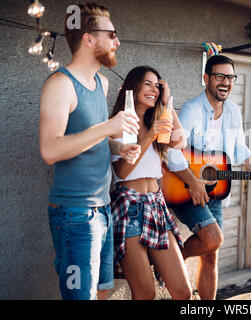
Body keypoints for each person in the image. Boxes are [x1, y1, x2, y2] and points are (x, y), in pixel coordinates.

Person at [39, 3, 141, 300]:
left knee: (103, 291)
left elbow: (88, 138)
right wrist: (109, 127)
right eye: (111, 34)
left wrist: (117, 145)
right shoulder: (59, 84)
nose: (117, 42)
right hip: (74, 214)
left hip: (103, 208)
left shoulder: (102, 83)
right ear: (88, 39)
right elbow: (50, 149)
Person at [166, 55, 251, 300]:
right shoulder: (192, 109)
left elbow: (239, 151)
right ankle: (168, 261)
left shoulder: (233, 111)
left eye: (230, 77)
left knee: (211, 252)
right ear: (206, 78)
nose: (226, 82)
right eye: (220, 76)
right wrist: (193, 181)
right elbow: (171, 152)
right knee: (213, 238)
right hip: (185, 189)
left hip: (217, 195)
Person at [109, 66, 191, 300]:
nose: (153, 89)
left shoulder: (156, 120)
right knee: (144, 294)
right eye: (147, 84)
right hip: (130, 207)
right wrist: (149, 135)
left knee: (182, 292)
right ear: (132, 88)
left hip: (156, 205)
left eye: (157, 85)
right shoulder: (122, 123)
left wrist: (167, 103)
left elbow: (180, 141)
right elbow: (122, 171)